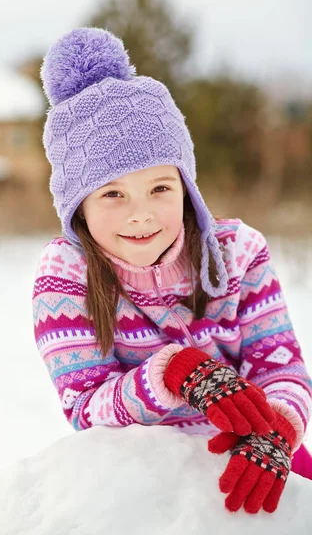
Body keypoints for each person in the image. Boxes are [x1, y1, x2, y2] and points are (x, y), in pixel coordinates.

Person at [32, 27, 312, 513]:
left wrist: (280, 428)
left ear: (186, 188)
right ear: (78, 206)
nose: (140, 214)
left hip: (253, 454)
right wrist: (176, 372)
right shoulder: (65, 276)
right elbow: (85, 407)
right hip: (143, 474)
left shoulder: (238, 252)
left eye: (160, 188)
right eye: (112, 194)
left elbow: (281, 367)